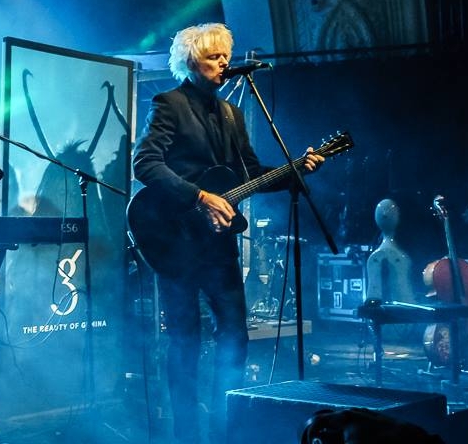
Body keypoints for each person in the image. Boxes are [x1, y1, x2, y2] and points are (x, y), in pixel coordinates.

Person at [132, 23, 324, 443]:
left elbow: (250, 175)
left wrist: (295, 171)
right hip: (174, 240)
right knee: (185, 338)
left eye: (225, 56)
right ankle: (186, 434)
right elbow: (145, 163)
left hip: (218, 245)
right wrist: (199, 196)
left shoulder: (232, 115)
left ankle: (228, 429)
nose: (223, 63)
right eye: (213, 57)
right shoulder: (169, 104)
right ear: (190, 62)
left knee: (235, 335)